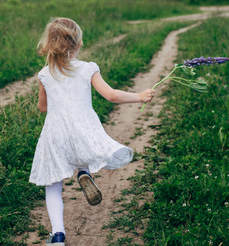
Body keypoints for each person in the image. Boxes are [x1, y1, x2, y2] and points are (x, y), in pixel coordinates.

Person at [29, 17, 155, 245]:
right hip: (83, 125)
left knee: (53, 185)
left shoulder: (44, 74)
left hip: (54, 131)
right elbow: (112, 96)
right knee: (82, 147)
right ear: (78, 44)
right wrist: (140, 96)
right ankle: (84, 173)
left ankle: (57, 235)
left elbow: (42, 107)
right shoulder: (88, 69)